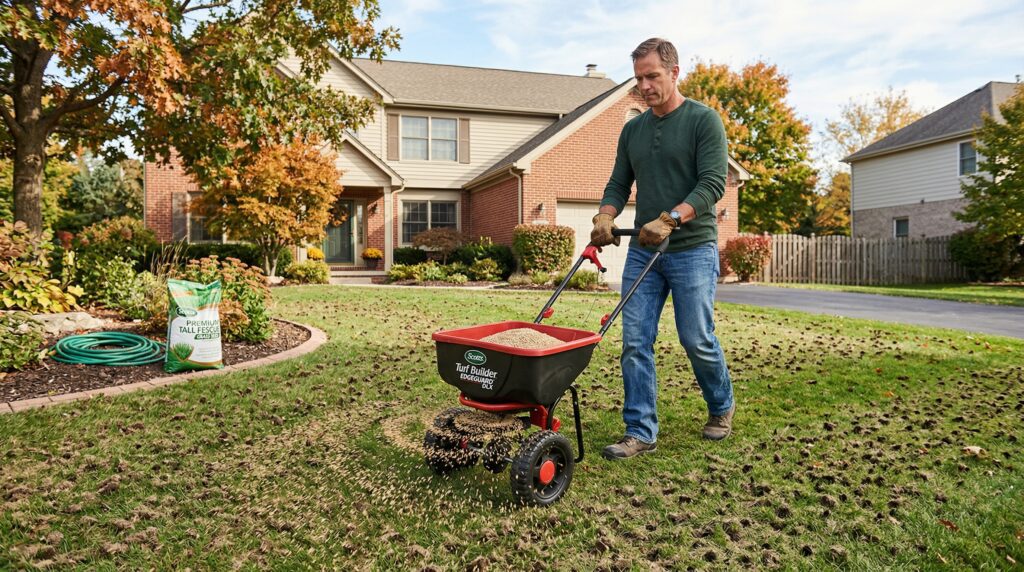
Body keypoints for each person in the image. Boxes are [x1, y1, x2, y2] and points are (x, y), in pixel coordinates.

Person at [591, 37, 735, 460]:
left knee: (696, 338)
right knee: (635, 340)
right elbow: (619, 183)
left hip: (692, 248)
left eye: (652, 76)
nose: (645, 86)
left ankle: (721, 404)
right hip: (644, 251)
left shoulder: (703, 121)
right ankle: (640, 430)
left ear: (674, 72)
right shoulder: (633, 130)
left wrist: (671, 218)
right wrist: (604, 216)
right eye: (638, 79)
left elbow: (712, 184)